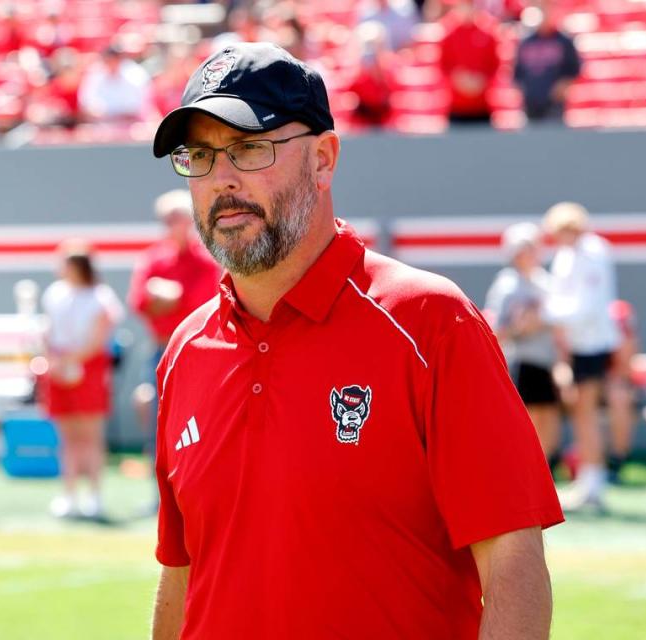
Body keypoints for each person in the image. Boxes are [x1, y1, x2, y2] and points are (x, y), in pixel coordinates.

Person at [149, 42, 562, 639]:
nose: (222, 179)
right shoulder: (185, 351)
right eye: (200, 156)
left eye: (247, 148)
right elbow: (182, 573)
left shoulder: (429, 320)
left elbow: (512, 564)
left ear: (323, 159)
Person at [127, 189, 220, 505]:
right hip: (160, 350)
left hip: (197, 352)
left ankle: (195, 493)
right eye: (165, 220)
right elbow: (138, 301)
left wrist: (170, 297)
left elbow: (202, 306)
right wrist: (168, 300)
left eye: (176, 218)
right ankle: (161, 498)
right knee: (157, 421)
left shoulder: (206, 259)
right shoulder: (152, 258)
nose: (170, 225)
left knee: (199, 423)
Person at [542, 202, 621, 511]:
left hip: (591, 344)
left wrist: (546, 314)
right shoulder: (568, 255)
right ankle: (588, 478)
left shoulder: (593, 252)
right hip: (574, 344)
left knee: (586, 411)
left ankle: (593, 481)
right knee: (580, 411)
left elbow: (586, 305)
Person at [41, 243, 123, 519]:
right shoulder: (55, 294)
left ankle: (95, 495)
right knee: (68, 436)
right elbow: (48, 331)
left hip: (89, 368)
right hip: (60, 367)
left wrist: (71, 360)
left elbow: (98, 339)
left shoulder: (100, 297)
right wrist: (53, 360)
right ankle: (69, 494)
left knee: (90, 435)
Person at [485, 222, 562, 464]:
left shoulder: (545, 282)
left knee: (548, 416)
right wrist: (522, 326)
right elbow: (497, 330)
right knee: (526, 418)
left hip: (546, 360)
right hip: (521, 360)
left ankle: (546, 467)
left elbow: (559, 320)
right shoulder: (507, 285)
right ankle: (525, 466)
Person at [513, 4, 581, 124]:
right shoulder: (526, 42)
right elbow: (517, 73)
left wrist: (563, 85)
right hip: (531, 103)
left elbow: (573, 69)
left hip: (554, 104)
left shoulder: (563, 41)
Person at [438, 0, 500, 124]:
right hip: (456, 107)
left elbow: (495, 66)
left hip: (482, 107)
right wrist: (458, 80)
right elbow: (442, 67)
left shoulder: (487, 34)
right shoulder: (449, 36)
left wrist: (481, 81)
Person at [606, 299, 639, 484]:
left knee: (619, 396)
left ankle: (616, 461)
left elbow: (626, 362)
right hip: (584, 381)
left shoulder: (618, 312)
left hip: (613, 383)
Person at [78, 44, 153, 124]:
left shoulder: (135, 75)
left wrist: (112, 116)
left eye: (114, 59)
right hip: (100, 127)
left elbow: (135, 109)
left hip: (129, 127)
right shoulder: (94, 76)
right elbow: (86, 105)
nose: (111, 63)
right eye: (108, 60)